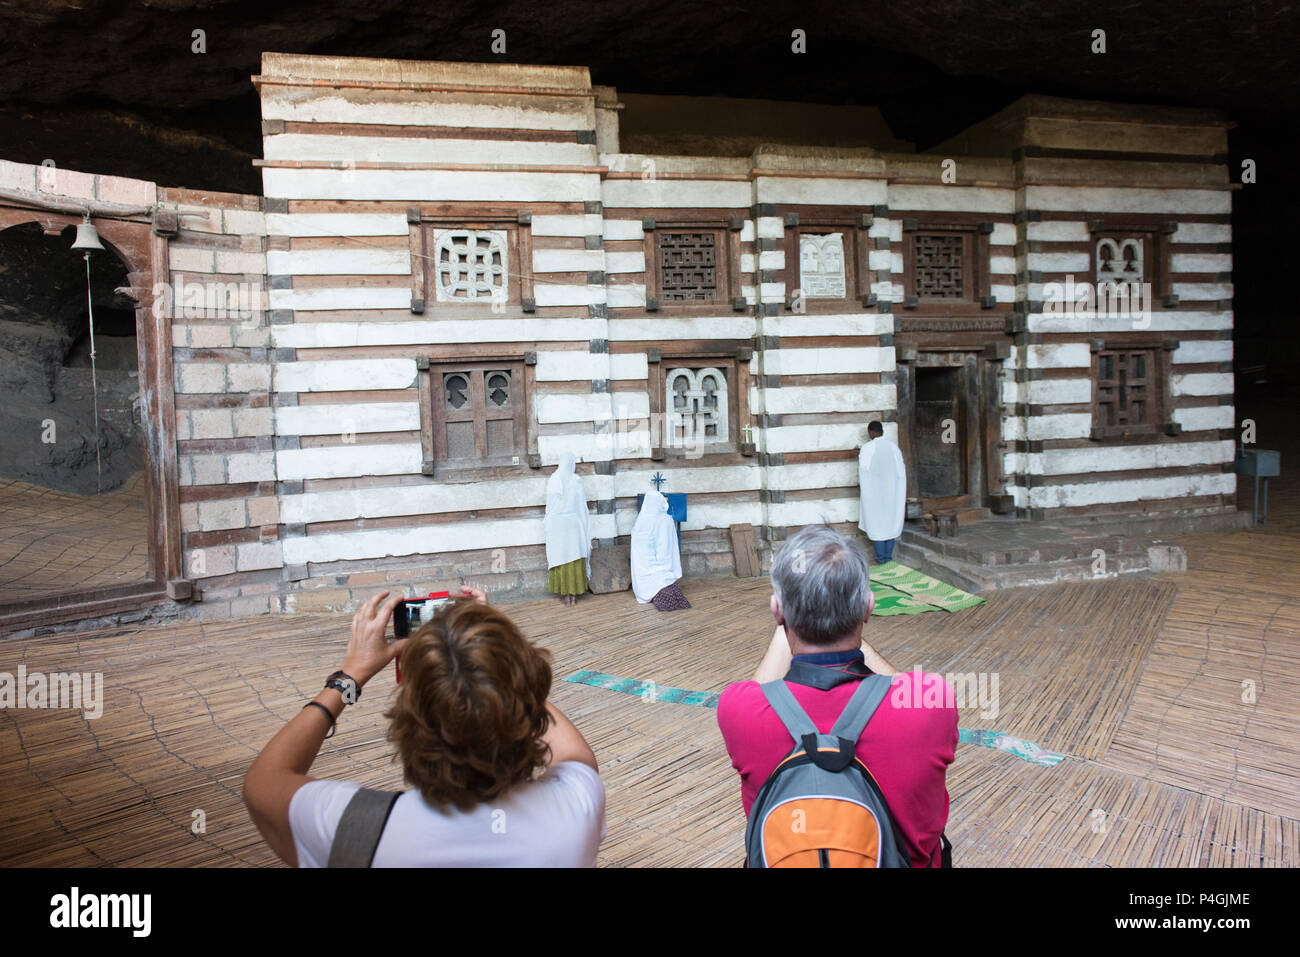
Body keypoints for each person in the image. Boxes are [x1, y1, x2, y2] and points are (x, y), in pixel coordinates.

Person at [243, 585, 605, 867]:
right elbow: (574, 754)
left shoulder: (352, 827)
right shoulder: (573, 816)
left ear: (406, 721)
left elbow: (264, 781)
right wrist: (492, 655)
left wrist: (350, 676)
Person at [715, 525, 956, 867]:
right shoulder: (932, 702)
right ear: (869, 608)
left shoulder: (739, 710)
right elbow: (904, 687)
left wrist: (790, 620)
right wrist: (847, 619)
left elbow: (760, 688)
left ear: (777, 610)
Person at [630, 489, 690, 610]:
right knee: (666, 583)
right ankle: (663, 588)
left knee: (661, 582)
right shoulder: (666, 519)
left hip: (647, 565)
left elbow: (637, 546)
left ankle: (655, 590)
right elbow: (671, 543)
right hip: (663, 562)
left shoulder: (641, 520)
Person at [545, 452, 591, 607]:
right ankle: (573, 595)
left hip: (557, 524)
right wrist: (583, 522)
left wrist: (548, 522)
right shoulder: (576, 480)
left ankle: (565, 594)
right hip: (573, 523)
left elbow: (550, 506)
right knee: (574, 556)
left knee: (561, 557)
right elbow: (581, 505)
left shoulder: (554, 479)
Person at [858, 420, 906, 564]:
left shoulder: (867, 448)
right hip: (892, 493)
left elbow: (863, 472)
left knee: (877, 526)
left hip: (874, 495)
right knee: (890, 525)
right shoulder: (894, 448)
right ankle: (888, 559)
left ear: (871, 432)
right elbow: (901, 473)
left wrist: (868, 490)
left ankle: (880, 559)